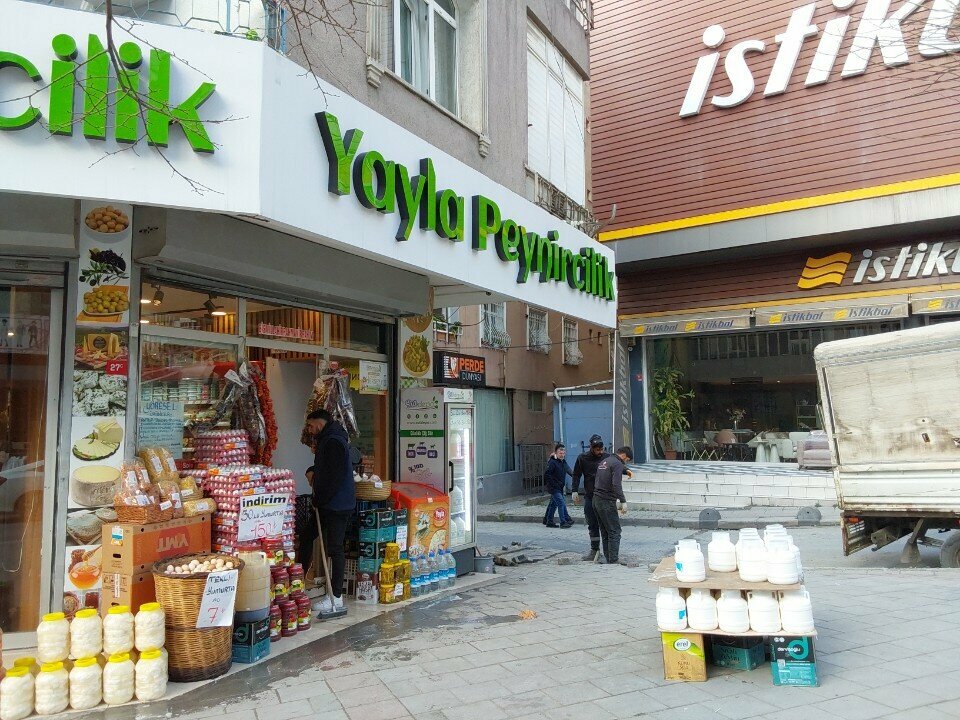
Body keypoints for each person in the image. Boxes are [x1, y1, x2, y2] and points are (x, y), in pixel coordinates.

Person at [301, 408, 356, 616]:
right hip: (328, 503)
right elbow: (324, 469)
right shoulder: (327, 438)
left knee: (335, 548)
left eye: (310, 425)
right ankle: (299, 583)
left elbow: (334, 477)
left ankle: (336, 596)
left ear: (319, 422)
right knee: (306, 536)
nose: (309, 429)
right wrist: (312, 471)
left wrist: (319, 499)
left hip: (337, 504)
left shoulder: (333, 441)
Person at [593, 446, 634, 565]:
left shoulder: (605, 461)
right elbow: (616, 484)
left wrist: (626, 470)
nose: (625, 462)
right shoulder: (617, 464)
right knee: (615, 531)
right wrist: (623, 501)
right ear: (624, 455)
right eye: (627, 460)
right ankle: (614, 560)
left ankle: (609, 558)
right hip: (606, 501)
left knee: (605, 531)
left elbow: (613, 468)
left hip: (596, 499)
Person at [571, 435, 608, 561]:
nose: (600, 452)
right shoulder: (583, 458)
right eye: (597, 450)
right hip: (590, 496)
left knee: (606, 525)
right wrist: (574, 490)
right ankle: (594, 550)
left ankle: (609, 552)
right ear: (591, 448)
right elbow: (576, 474)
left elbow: (617, 469)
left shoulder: (607, 457)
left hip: (604, 497)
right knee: (592, 524)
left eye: (602, 449)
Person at [543, 443, 574, 528]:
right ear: (556, 452)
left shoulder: (563, 461)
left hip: (559, 487)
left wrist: (575, 476)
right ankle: (563, 522)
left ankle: (549, 521)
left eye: (563, 453)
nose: (562, 455)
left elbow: (568, 470)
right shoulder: (552, 462)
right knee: (561, 503)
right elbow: (547, 475)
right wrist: (553, 484)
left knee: (553, 504)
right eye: (560, 453)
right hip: (554, 488)